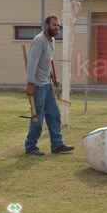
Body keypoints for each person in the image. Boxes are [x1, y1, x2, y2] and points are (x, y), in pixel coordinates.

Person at [24, 15, 74, 156]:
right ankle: (30, 146)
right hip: (37, 86)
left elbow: (47, 61)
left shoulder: (52, 40)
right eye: (54, 25)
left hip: (47, 84)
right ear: (46, 25)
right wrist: (30, 84)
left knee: (54, 114)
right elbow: (32, 64)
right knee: (38, 117)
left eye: (58, 25)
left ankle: (57, 145)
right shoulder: (39, 41)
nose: (57, 28)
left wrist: (53, 76)